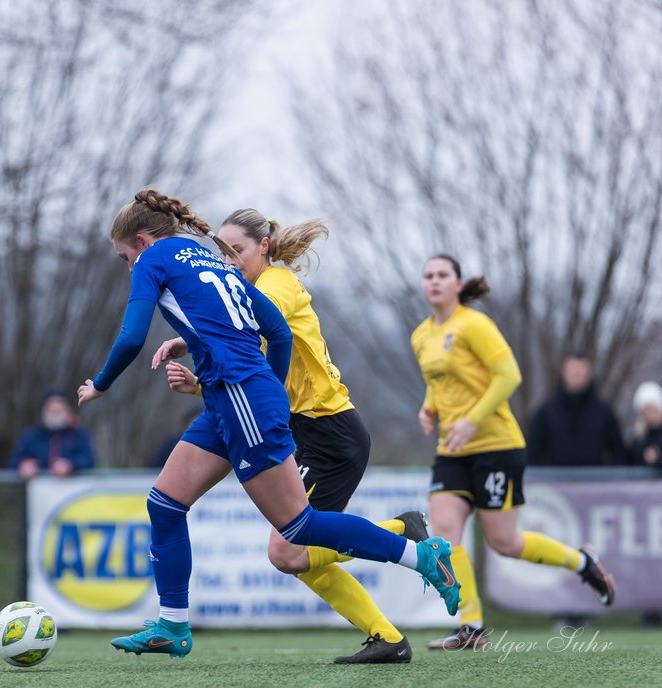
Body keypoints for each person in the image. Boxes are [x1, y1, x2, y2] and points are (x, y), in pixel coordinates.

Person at [77, 188, 458, 658]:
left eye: (124, 257)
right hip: (229, 398)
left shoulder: (157, 258)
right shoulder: (207, 257)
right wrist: (268, 389)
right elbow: (273, 332)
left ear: (141, 240)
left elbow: (132, 335)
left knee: (295, 532)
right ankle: (172, 625)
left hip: (245, 400)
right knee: (165, 503)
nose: (129, 267)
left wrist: (101, 383)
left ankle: (419, 555)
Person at [152, 207, 431, 663]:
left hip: (330, 433)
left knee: (288, 548)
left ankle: (403, 532)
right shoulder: (249, 290)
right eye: (222, 252)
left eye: (237, 250)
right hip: (302, 428)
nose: (229, 259)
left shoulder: (276, 287)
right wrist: (199, 373)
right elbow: (244, 356)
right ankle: (389, 638)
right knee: (296, 554)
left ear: (263, 246)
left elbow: (249, 348)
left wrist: (196, 355)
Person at [412, 255, 615, 651]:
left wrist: (472, 419)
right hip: (451, 450)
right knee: (445, 535)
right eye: (428, 276)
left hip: (496, 446)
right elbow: (439, 382)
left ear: (457, 284)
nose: (434, 282)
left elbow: (510, 375)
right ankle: (473, 626)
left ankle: (581, 563)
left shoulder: (474, 324)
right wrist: (429, 407)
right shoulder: (421, 335)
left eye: (442, 275)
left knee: (505, 543)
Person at [527, 353, 625, 467]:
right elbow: (533, 453)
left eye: (581, 371)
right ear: (563, 372)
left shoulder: (604, 412)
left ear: (589, 374)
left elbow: (618, 452)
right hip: (554, 481)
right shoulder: (546, 412)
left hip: (596, 481)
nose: (577, 375)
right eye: (573, 371)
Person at [8, 390, 96, 480]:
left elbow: (89, 460)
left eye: (58, 411)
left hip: (73, 490)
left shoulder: (79, 435)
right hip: (37, 491)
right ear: (43, 412)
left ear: (68, 412)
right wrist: (23, 465)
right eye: (51, 410)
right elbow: (13, 461)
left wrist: (71, 465)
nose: (54, 415)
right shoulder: (31, 436)